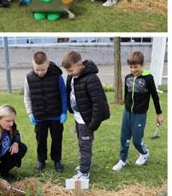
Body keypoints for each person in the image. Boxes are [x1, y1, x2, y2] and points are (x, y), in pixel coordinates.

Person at [62, 51, 110, 181]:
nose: (70, 73)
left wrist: (93, 123)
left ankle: (84, 173)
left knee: (85, 146)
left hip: (87, 120)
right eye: (67, 71)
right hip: (79, 117)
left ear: (79, 65)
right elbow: (70, 92)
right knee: (81, 143)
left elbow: (98, 102)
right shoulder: (71, 77)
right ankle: (84, 165)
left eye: (71, 70)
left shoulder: (91, 79)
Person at [112, 51, 163, 171]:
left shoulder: (148, 78)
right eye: (131, 67)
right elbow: (127, 94)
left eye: (136, 67)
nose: (133, 69)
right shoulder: (128, 78)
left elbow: (155, 96)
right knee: (124, 137)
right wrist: (126, 106)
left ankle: (144, 153)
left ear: (142, 64)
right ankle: (122, 160)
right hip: (127, 112)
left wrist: (159, 114)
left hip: (140, 114)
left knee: (136, 140)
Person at [24, 51, 67, 172]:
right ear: (32, 65)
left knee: (57, 139)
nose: (40, 72)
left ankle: (57, 160)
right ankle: (41, 160)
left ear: (47, 64)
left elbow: (63, 93)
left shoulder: (57, 75)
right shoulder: (28, 77)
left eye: (42, 69)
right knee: (40, 140)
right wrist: (30, 113)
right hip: (39, 116)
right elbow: (27, 96)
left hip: (56, 115)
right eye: (37, 69)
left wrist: (63, 112)